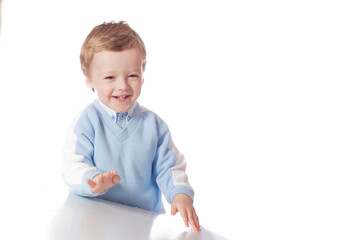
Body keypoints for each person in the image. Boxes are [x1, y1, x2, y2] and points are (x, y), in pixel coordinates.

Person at [61, 21, 200, 231]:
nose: (123, 86)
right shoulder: (87, 122)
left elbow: (169, 166)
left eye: (132, 75)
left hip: (141, 226)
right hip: (95, 223)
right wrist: (93, 180)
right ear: (89, 79)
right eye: (110, 77)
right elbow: (72, 164)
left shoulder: (154, 126)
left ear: (143, 75)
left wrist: (179, 193)